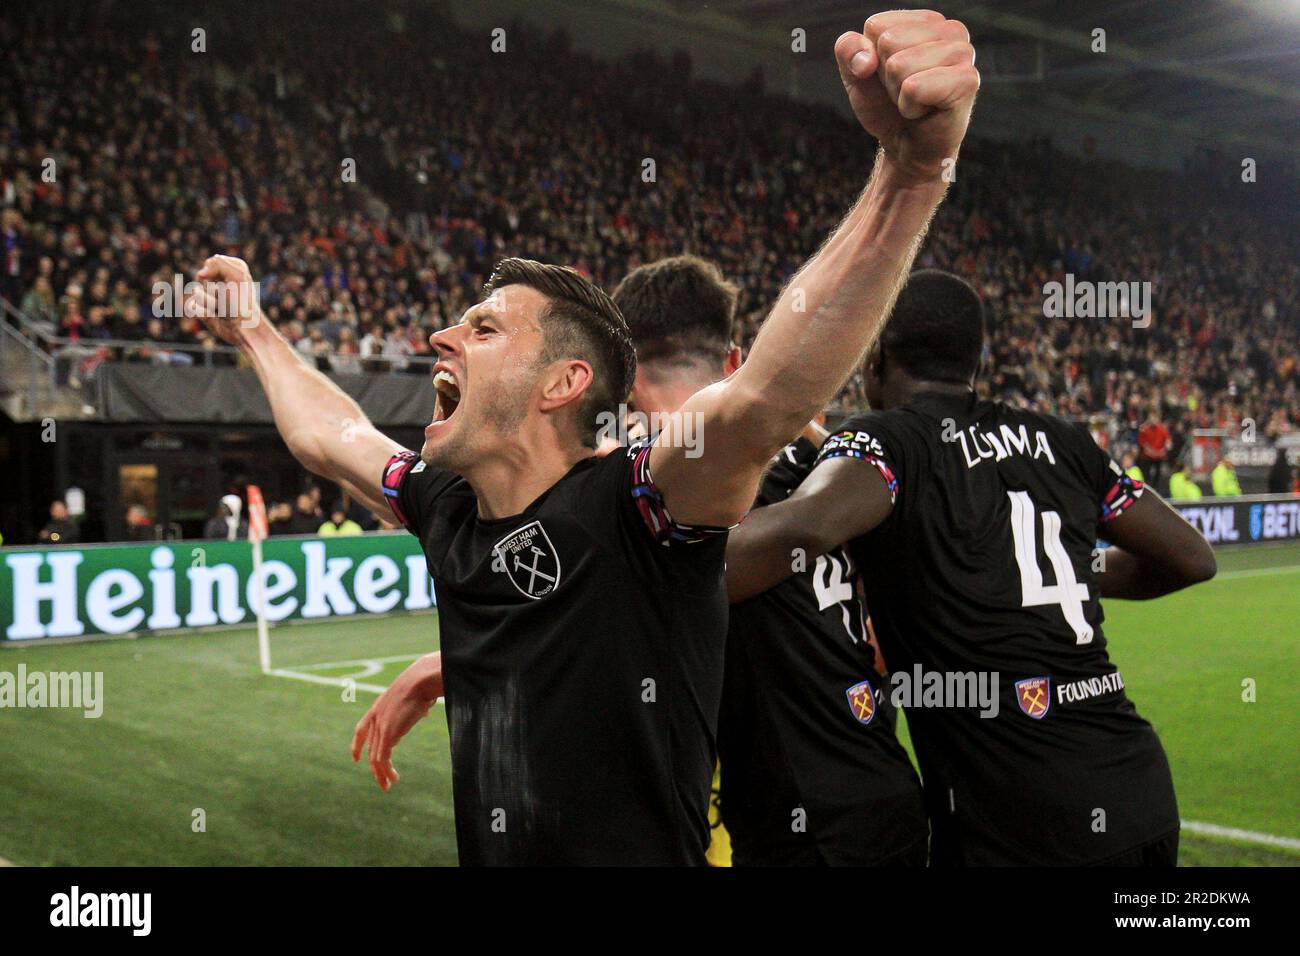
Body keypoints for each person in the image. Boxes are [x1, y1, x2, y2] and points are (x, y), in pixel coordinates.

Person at [190, 9, 980, 866]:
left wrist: (912, 171)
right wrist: (256, 333)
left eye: (485, 328)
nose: (441, 341)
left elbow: (762, 398)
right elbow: (331, 433)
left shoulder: (641, 509)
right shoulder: (445, 504)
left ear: (564, 384)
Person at [725, 270, 1216, 865]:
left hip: (1017, 821)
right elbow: (1192, 557)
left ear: (875, 359)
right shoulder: (1063, 439)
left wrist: (659, 549)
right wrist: (1067, 574)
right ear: (977, 362)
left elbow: (806, 526)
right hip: (1137, 790)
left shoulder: (885, 442)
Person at [610, 254, 927, 866]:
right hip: (887, 788)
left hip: (797, 830)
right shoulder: (829, 468)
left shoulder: (645, 489)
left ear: (624, 379)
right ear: (733, 361)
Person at [1137, 412, 1172, 493]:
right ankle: (1147, 488)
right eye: (1151, 418)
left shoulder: (1162, 429)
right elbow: (1142, 442)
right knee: (1146, 473)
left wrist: (1164, 450)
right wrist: (1150, 451)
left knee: (1158, 473)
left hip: (1159, 456)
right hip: (1148, 456)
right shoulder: (1144, 429)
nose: (1153, 420)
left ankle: (1156, 489)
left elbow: (1168, 441)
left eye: (1155, 418)